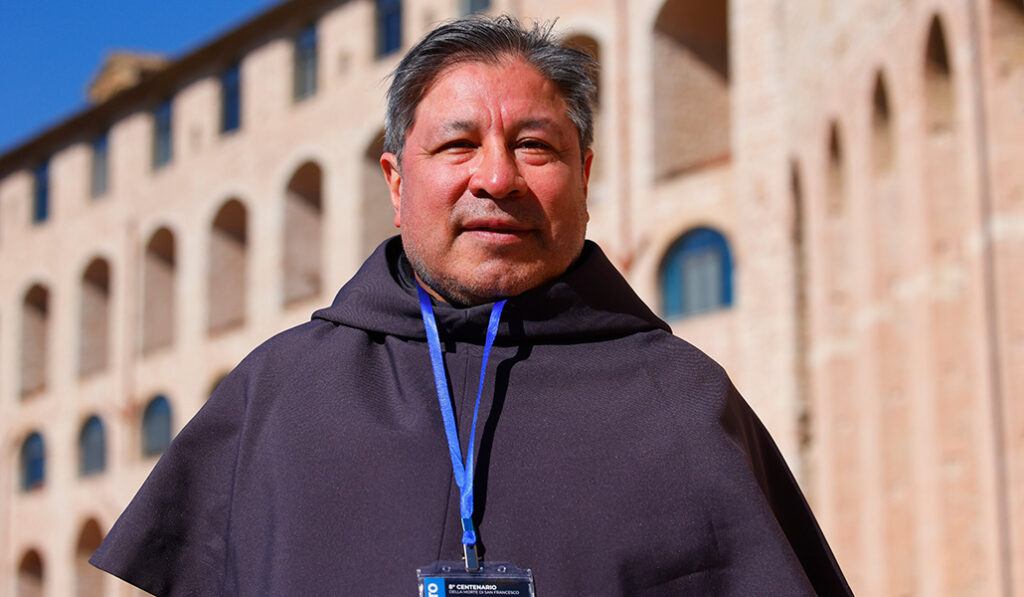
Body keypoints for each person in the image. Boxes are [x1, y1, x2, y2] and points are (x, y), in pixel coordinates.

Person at [92, 15, 852, 596]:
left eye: (536, 146)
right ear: (396, 183)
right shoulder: (278, 391)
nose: (497, 178)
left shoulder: (684, 400)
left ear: (584, 175)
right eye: (458, 146)